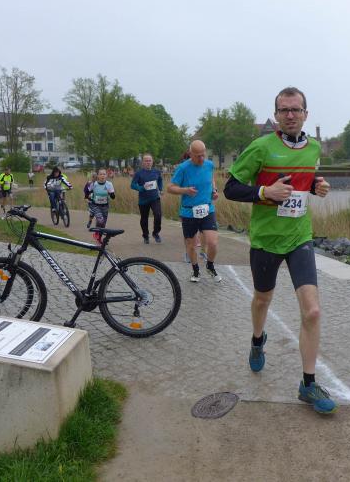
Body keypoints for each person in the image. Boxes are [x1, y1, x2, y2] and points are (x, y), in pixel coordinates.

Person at [223, 86, 336, 415]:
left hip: (300, 237)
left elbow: (303, 180)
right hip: (266, 240)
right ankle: (258, 340)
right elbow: (231, 188)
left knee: (312, 311)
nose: (290, 115)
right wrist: (264, 192)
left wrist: (317, 186)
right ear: (275, 115)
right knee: (262, 299)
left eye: (295, 109)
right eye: (284, 110)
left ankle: (308, 384)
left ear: (305, 114)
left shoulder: (313, 148)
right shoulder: (261, 147)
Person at [168, 140, 221, 282]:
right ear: (190, 154)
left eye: (203, 155)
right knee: (191, 245)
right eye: (198, 156)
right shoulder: (183, 168)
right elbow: (170, 188)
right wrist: (185, 190)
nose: (201, 158)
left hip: (207, 209)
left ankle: (210, 266)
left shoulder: (209, 165)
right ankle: (195, 270)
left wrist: (214, 191)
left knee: (213, 242)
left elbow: (211, 179)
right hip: (189, 212)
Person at [131, 154, 164, 244]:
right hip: (143, 200)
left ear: (152, 162)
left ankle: (155, 233)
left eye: (149, 160)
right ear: (143, 162)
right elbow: (132, 185)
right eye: (146, 161)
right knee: (144, 218)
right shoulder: (138, 173)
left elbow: (160, 180)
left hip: (155, 197)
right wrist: (142, 188)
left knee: (158, 215)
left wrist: (161, 189)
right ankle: (145, 236)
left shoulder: (156, 172)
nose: (148, 162)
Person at [88, 168, 115, 243]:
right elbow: (89, 192)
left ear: (106, 175)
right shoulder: (94, 184)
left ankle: (99, 238)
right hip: (95, 205)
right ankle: (96, 233)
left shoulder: (109, 184)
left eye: (104, 174)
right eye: (101, 174)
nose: (102, 176)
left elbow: (113, 197)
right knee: (100, 219)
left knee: (103, 224)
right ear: (98, 176)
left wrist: (111, 193)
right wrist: (89, 196)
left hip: (105, 206)